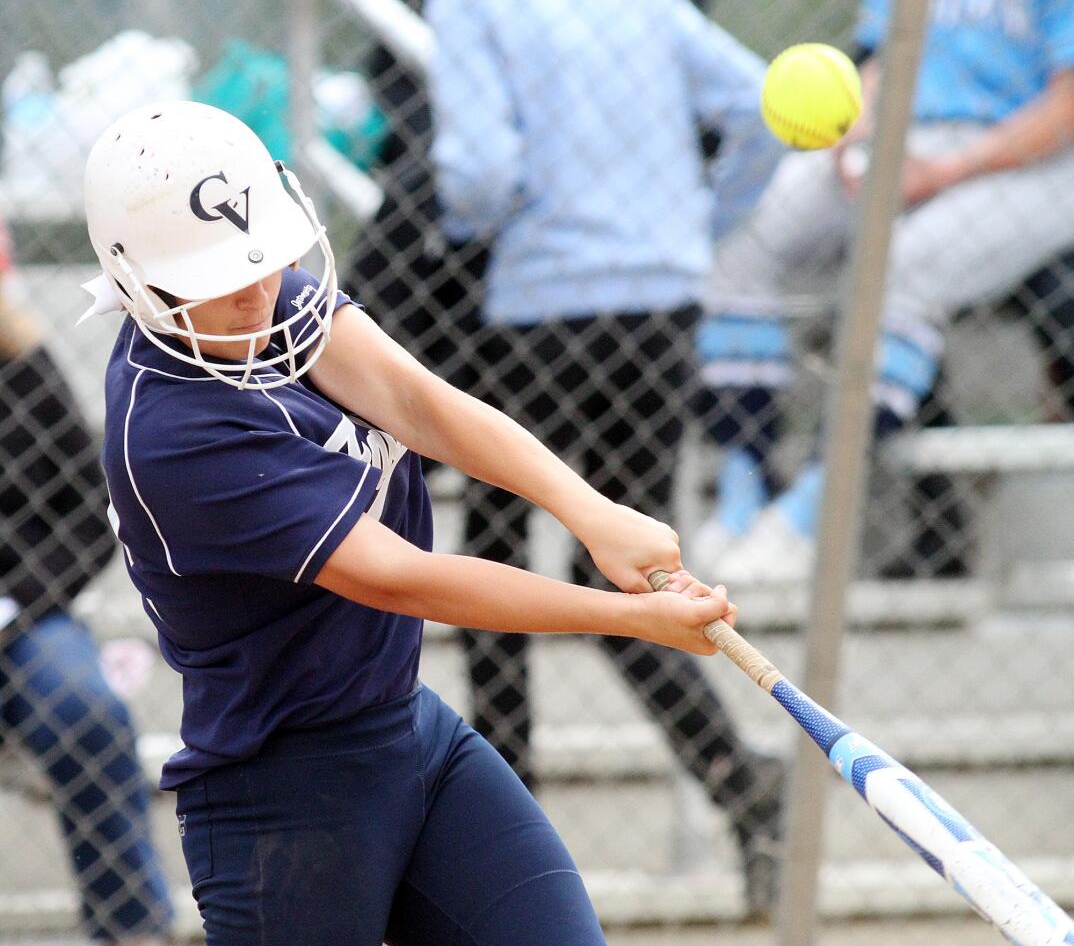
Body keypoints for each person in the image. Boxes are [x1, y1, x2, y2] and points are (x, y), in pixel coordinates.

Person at [79, 99, 739, 946]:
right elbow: (399, 577)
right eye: (217, 279)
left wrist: (594, 512)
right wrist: (629, 619)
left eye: (265, 260)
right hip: (283, 804)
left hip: (412, 738)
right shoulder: (172, 431)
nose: (254, 291)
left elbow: (416, 400)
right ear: (142, 282)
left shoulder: (270, 299)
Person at [423, 0, 787, 917]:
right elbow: (759, 104)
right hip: (658, 312)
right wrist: (688, 232)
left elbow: (476, 172)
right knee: (641, 572)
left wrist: (474, 228)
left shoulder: (474, 1)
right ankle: (744, 789)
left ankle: (502, 841)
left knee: (495, 578)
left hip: (542, 312)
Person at [694, 0, 1074, 583]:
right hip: (905, 139)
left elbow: (1065, 109)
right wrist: (857, 137)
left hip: (1033, 164)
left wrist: (945, 171)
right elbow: (880, 67)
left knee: (903, 261)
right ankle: (742, 492)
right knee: (752, 231)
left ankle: (807, 517)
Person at [0, 223, 173, 945]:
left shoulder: (19, 365)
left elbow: (88, 516)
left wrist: (14, 608)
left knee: (85, 705)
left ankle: (131, 927)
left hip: (20, 619)